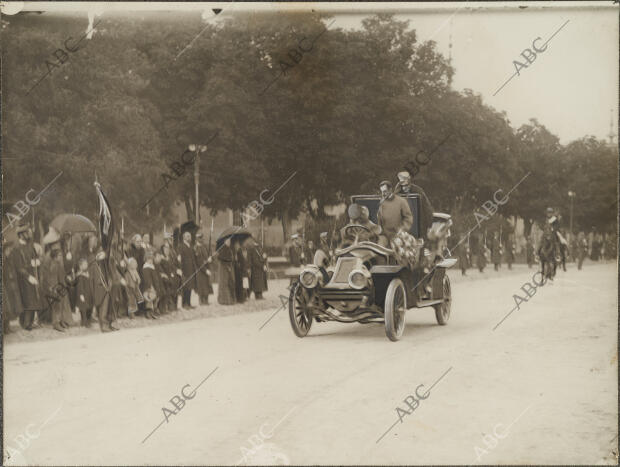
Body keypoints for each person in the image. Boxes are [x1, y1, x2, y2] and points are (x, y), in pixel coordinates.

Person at [8, 224, 43, 330]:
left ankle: (30, 322)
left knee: (34, 298)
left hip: (33, 276)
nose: (29, 234)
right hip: (23, 279)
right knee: (28, 300)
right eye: (27, 233)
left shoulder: (30, 245)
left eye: (29, 232)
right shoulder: (16, 249)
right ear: (21, 235)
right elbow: (18, 267)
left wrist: (37, 261)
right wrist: (28, 276)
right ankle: (26, 323)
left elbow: (35, 258)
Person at [395, 171, 434, 239]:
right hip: (404, 229)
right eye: (402, 186)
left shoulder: (418, 191)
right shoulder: (398, 192)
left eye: (406, 185)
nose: (404, 188)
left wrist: (429, 226)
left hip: (419, 227)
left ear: (410, 183)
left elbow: (427, 209)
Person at [179, 231, 198, 309]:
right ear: (184, 237)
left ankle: (189, 303)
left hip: (191, 270)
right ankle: (184, 304)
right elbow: (180, 259)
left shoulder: (190, 246)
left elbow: (193, 258)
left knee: (190, 287)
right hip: (185, 270)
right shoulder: (181, 246)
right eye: (187, 236)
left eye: (189, 236)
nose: (189, 238)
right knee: (185, 287)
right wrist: (181, 270)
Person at [75, 257, 94, 327]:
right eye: (85, 264)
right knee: (83, 308)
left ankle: (88, 321)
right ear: (80, 266)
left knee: (89, 307)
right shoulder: (79, 275)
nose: (86, 265)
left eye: (86, 264)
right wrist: (81, 294)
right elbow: (79, 286)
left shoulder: (87, 273)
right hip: (83, 294)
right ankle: (84, 322)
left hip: (89, 293)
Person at [194, 232, 213, 305]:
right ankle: (201, 300)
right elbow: (199, 262)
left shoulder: (204, 247)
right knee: (201, 286)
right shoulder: (196, 248)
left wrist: (210, 258)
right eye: (200, 238)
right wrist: (205, 270)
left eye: (202, 238)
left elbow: (208, 255)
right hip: (200, 270)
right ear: (197, 239)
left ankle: (206, 300)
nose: (202, 239)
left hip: (206, 268)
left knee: (207, 285)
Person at [217, 237, 236, 305]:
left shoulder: (229, 249)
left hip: (229, 268)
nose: (229, 242)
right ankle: (224, 300)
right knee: (224, 284)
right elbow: (221, 258)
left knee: (229, 283)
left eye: (230, 241)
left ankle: (229, 299)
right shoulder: (223, 249)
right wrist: (228, 266)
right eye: (228, 241)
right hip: (224, 269)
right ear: (225, 242)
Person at [141, 250, 159, 319]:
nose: (150, 260)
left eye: (151, 259)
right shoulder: (146, 267)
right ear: (146, 259)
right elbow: (147, 278)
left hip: (154, 285)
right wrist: (151, 286)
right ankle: (147, 313)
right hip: (148, 286)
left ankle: (151, 312)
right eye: (149, 259)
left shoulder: (152, 266)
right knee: (149, 299)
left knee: (153, 299)